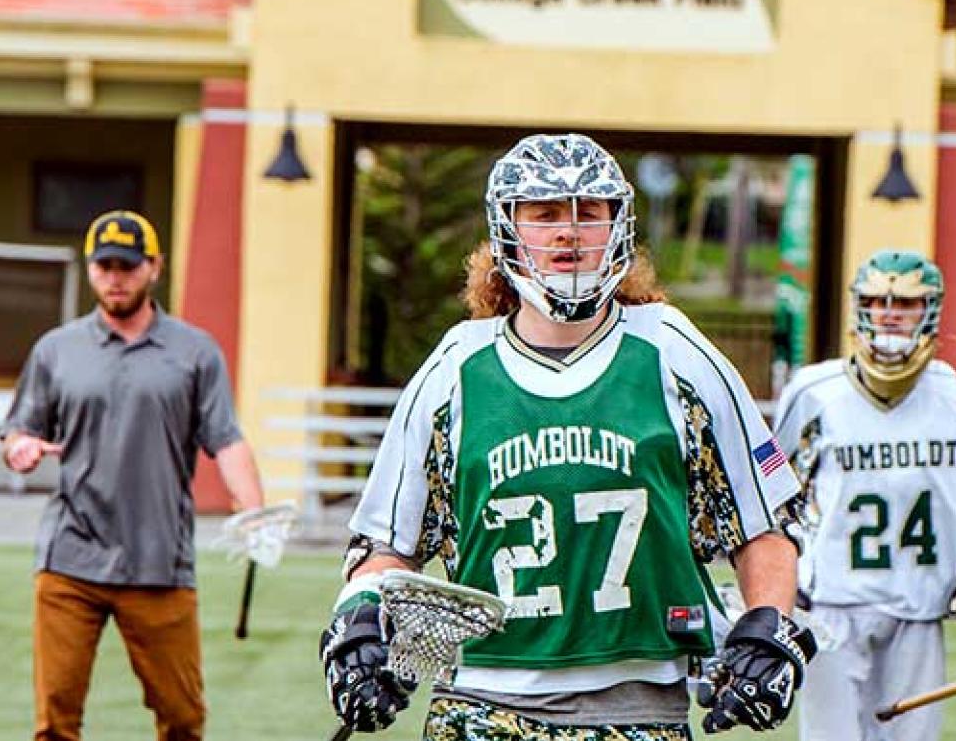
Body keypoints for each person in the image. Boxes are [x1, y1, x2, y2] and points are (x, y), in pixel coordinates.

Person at [321, 134, 812, 739]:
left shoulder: (673, 353)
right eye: (545, 215)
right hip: (480, 702)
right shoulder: (457, 368)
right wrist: (360, 623)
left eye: (588, 214)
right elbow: (385, 547)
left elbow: (762, 523)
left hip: (640, 705)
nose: (568, 233)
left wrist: (768, 624)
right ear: (507, 230)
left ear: (618, 229)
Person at [1, 209, 265, 741]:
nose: (115, 277)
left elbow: (227, 438)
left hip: (158, 563)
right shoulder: (56, 350)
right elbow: (18, 431)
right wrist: (21, 450)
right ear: (90, 269)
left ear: (154, 267)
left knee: (183, 719)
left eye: (127, 265)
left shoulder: (194, 352)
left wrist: (255, 509)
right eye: (104, 266)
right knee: (54, 722)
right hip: (69, 560)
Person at [772, 250, 956, 741]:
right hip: (831, 604)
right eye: (877, 299)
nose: (889, 312)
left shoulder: (954, 396)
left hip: (919, 603)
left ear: (931, 309)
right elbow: (774, 496)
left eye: (906, 302)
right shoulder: (815, 392)